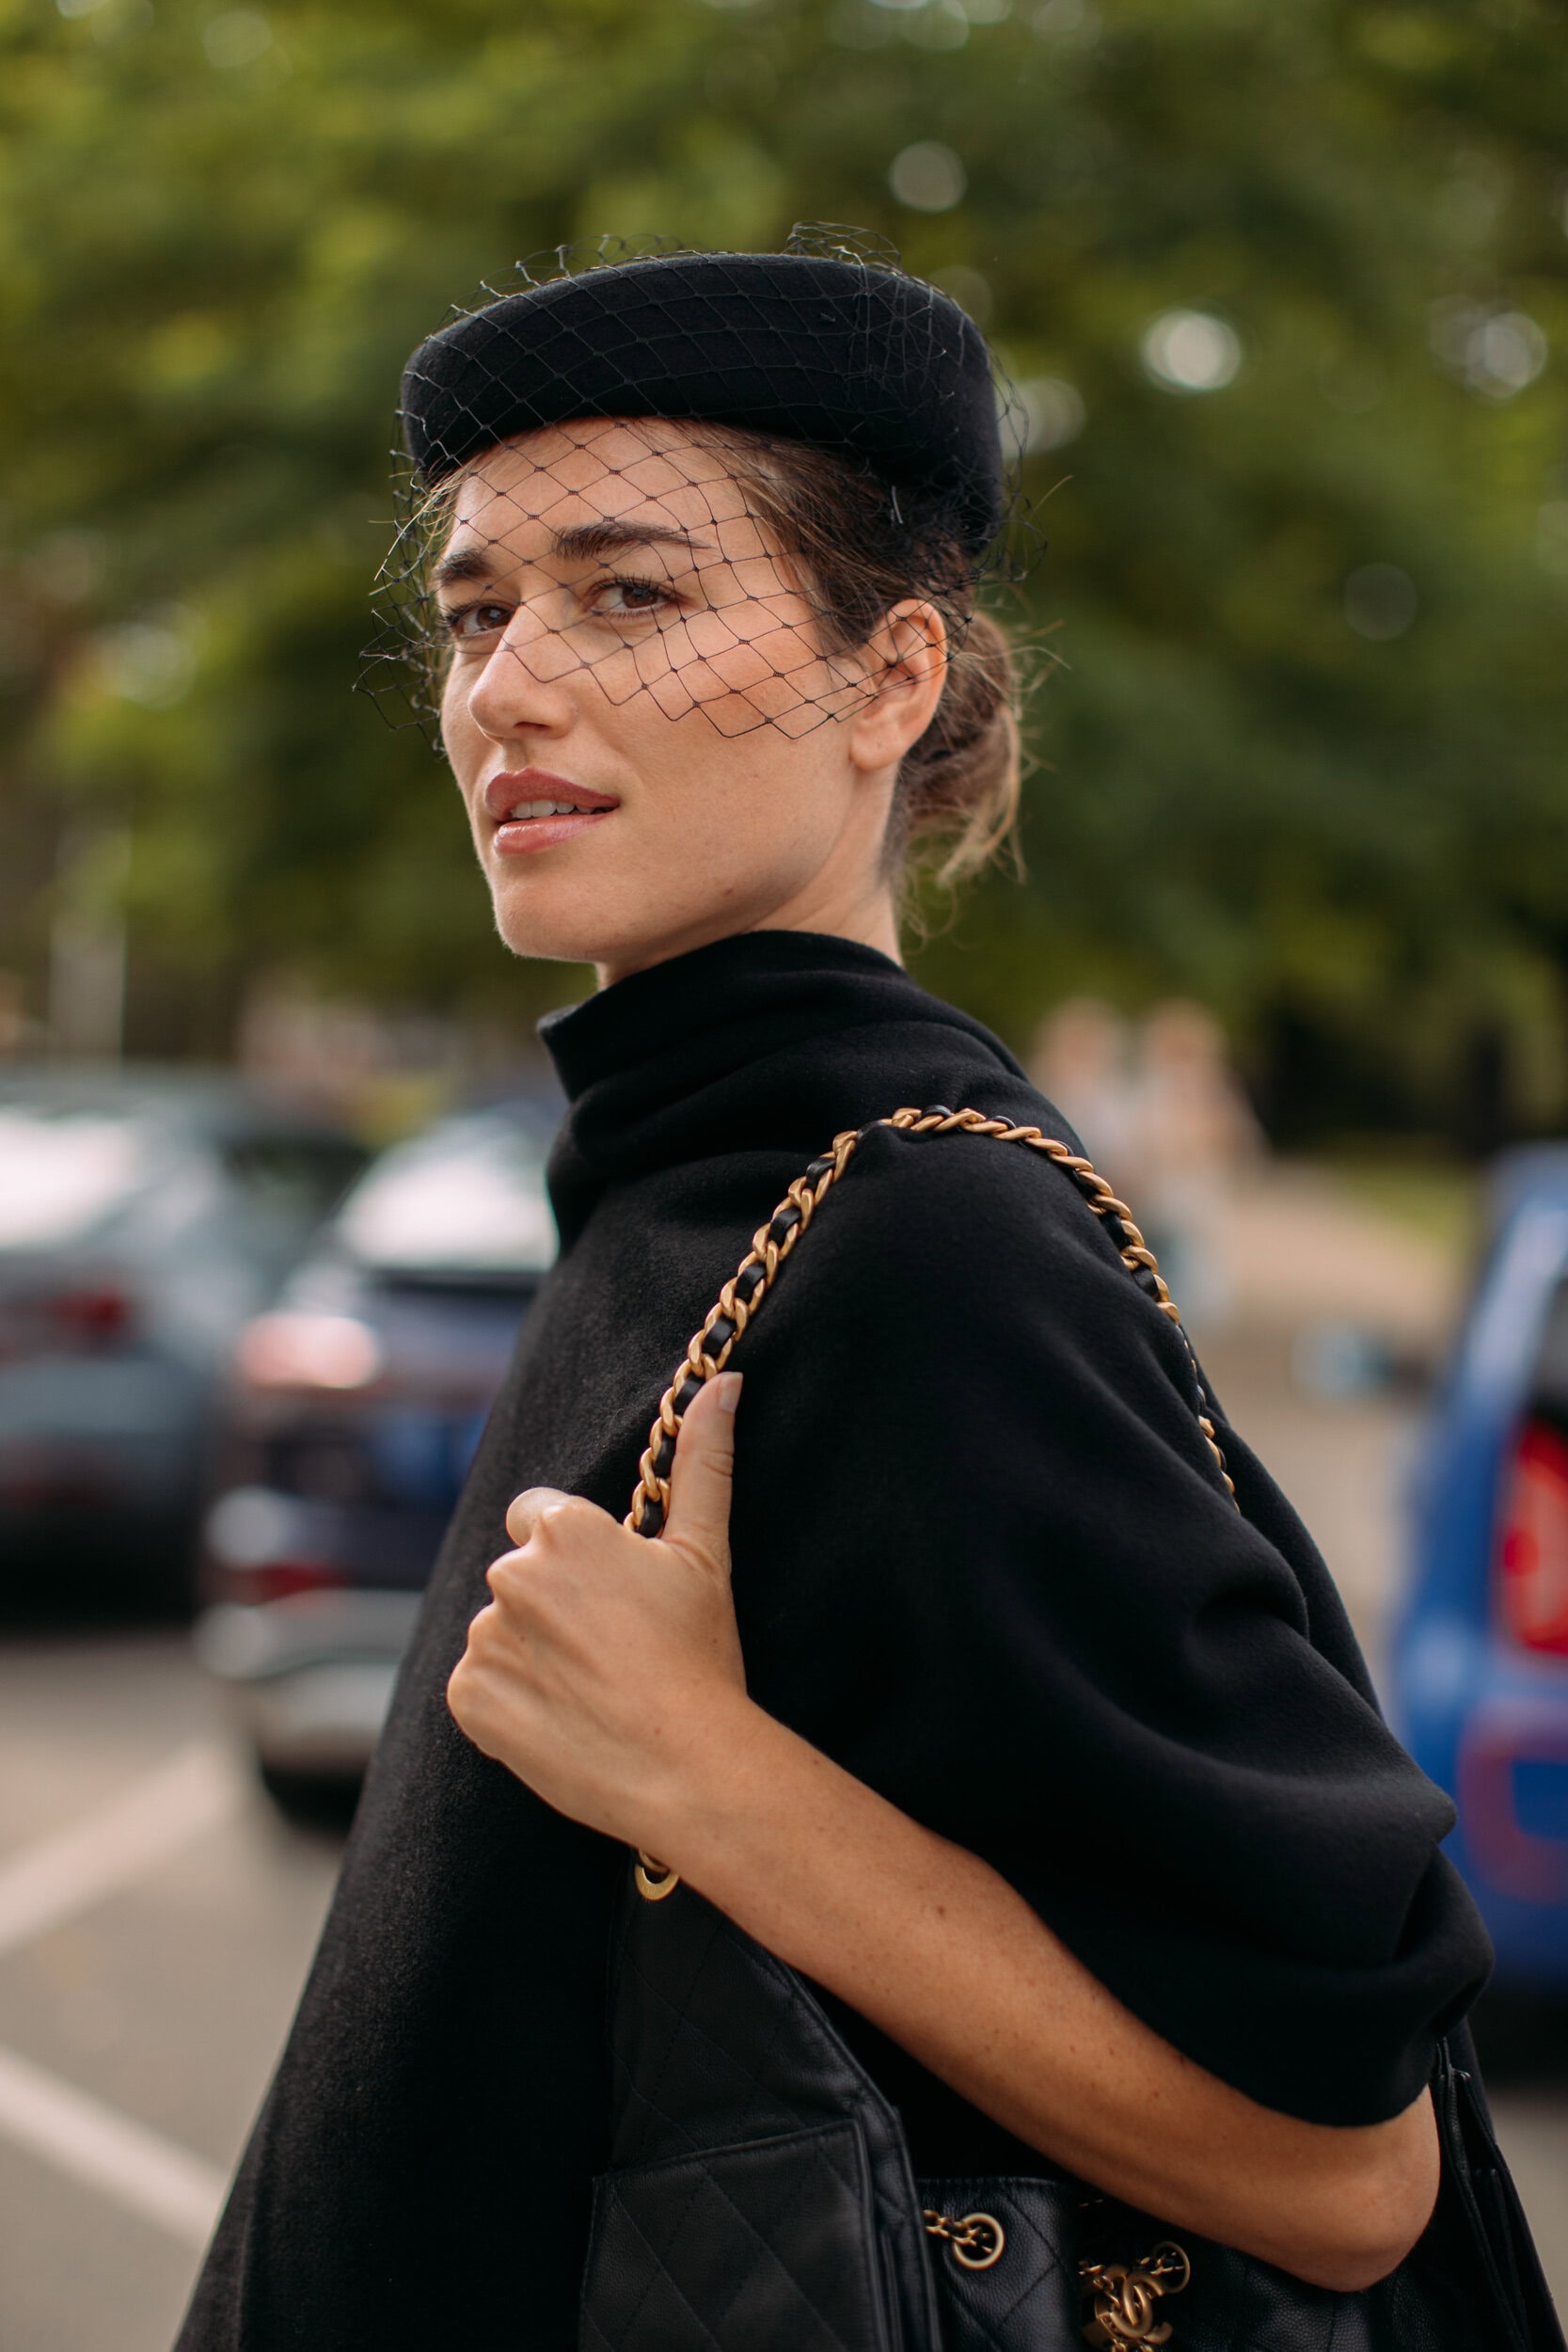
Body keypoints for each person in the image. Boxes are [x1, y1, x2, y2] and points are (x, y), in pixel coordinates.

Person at [176, 241, 1489, 2351]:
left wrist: (708, 1775)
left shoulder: (924, 1243)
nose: (507, 686)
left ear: (890, 682)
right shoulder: (688, 1172)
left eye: (630, 593)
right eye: (479, 611)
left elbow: (1350, 2175)